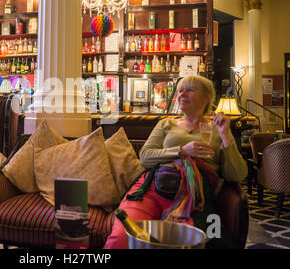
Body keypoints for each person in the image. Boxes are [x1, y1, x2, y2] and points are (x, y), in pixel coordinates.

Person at [104, 76, 248, 249]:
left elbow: (238, 174)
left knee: (182, 241)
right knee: (122, 236)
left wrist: (225, 134)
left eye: (190, 90)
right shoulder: (167, 124)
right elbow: (145, 157)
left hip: (194, 196)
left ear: (207, 97)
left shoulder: (218, 130)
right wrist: (182, 151)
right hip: (153, 187)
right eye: (180, 90)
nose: (182, 94)